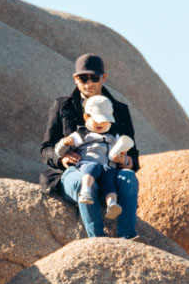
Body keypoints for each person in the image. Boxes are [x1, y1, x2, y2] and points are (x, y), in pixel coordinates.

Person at [39, 53, 140, 239]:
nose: (89, 83)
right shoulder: (63, 106)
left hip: (109, 172)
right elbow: (46, 149)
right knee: (81, 182)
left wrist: (127, 161)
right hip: (72, 173)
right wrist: (62, 158)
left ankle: (128, 237)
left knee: (128, 177)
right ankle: (97, 240)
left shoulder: (120, 110)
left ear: (104, 77)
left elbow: (133, 153)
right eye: (83, 78)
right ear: (75, 78)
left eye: (94, 77)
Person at [53, 93, 135, 216]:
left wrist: (122, 160)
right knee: (92, 168)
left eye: (106, 120)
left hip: (107, 167)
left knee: (110, 181)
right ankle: (85, 191)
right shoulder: (81, 135)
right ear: (86, 117)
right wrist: (64, 143)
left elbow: (125, 157)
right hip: (87, 163)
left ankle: (112, 204)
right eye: (97, 119)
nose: (101, 123)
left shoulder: (114, 138)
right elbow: (58, 152)